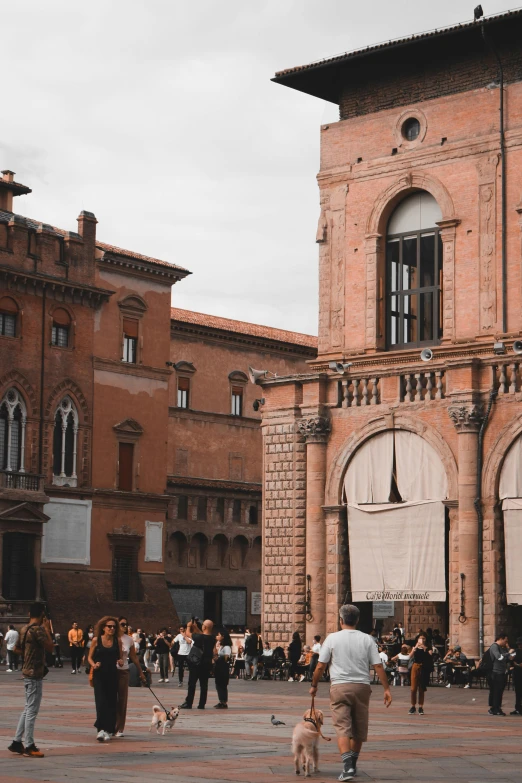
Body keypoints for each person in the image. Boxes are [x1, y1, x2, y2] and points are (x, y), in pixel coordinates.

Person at [310, 603, 392, 782]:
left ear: (341, 620)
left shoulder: (332, 639)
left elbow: (320, 666)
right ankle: (352, 765)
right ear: (357, 620)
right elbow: (378, 665)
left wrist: (314, 685)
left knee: (342, 728)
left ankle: (347, 767)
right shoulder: (367, 639)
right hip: (362, 687)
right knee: (359, 728)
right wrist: (386, 689)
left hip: (339, 686)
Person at [8, 602, 54, 758]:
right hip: (34, 674)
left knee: (27, 708)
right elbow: (50, 647)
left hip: (27, 671)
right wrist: (48, 629)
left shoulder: (24, 629)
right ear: (42, 614)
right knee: (32, 710)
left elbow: (16, 649)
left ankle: (16, 741)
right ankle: (29, 745)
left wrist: (29, 655)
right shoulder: (38, 630)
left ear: (29, 614)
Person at [88, 616, 123, 741]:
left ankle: (108, 729)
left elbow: (120, 658)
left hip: (112, 674)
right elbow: (89, 657)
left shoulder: (117, 641)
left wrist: (121, 661)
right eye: (109, 626)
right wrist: (94, 664)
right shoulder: (96, 640)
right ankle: (100, 730)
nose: (112, 628)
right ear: (103, 627)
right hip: (99, 674)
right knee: (101, 701)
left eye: (114, 626)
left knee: (111, 702)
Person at [116, 617, 146, 736]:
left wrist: (141, 672)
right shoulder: (110, 638)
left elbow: (134, 657)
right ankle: (109, 725)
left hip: (123, 671)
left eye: (126, 624)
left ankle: (120, 728)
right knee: (110, 699)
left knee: (122, 700)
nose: (124, 626)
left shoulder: (129, 639)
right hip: (110, 671)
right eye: (122, 624)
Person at [180, 618, 216, 710]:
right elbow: (203, 635)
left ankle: (189, 703)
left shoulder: (199, 637)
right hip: (206, 664)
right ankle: (201, 704)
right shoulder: (212, 638)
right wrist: (196, 627)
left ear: (204, 627)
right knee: (204, 684)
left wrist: (189, 626)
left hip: (196, 663)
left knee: (192, 683)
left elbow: (188, 634)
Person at [408, 633, 433, 714]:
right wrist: (415, 647)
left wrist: (424, 648)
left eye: (424, 638)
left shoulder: (428, 647)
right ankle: (412, 706)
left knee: (421, 688)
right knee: (413, 688)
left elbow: (430, 655)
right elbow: (410, 656)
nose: (422, 640)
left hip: (423, 667)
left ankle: (421, 707)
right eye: (420, 638)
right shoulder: (415, 647)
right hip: (415, 666)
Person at [488, 631, 512, 716]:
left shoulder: (503, 647)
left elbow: (510, 657)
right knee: (496, 691)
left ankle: (497, 707)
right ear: (501, 639)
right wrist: (508, 653)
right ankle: (494, 708)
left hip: (502, 672)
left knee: (500, 691)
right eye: (505, 641)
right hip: (496, 672)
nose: (506, 643)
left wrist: (509, 650)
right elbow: (499, 657)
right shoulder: (494, 647)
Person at [213, 629, 232, 709]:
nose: (217, 636)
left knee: (222, 685)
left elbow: (227, 657)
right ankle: (221, 700)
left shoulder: (227, 647)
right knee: (218, 684)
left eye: (219, 635)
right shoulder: (221, 646)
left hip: (223, 668)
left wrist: (219, 658)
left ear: (223, 637)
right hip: (219, 667)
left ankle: (223, 702)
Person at [510, 636, 522, 715]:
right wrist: (512, 662)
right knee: (518, 692)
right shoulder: (516, 651)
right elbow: (510, 659)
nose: (520, 646)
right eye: (519, 644)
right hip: (517, 674)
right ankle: (518, 708)